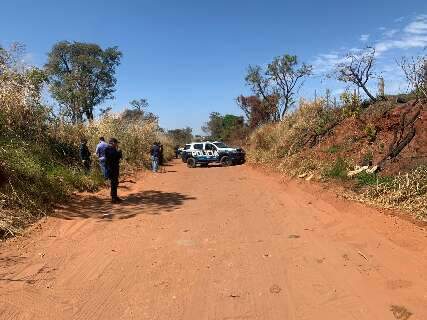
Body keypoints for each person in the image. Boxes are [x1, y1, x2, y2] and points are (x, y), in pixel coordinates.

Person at [105, 138, 123, 203]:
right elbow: (111, 157)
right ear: (112, 143)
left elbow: (118, 157)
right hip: (111, 169)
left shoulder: (114, 149)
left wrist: (119, 153)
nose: (117, 144)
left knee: (115, 182)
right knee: (113, 183)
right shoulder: (108, 149)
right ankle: (113, 198)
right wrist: (118, 152)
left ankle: (115, 196)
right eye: (116, 143)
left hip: (115, 168)